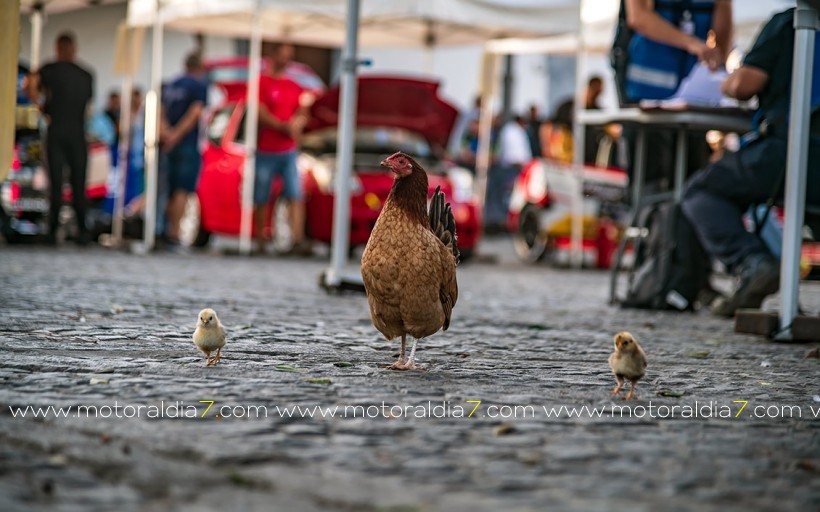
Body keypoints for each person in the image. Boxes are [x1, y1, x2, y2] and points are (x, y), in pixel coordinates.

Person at [681, 8, 820, 317]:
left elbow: (745, 85)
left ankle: (751, 260)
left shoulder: (791, 22)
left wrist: (727, 83)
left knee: (701, 191)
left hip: (792, 149)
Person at [620, 0, 732, 190]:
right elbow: (638, 17)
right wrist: (692, 43)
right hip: (646, 96)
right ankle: (650, 216)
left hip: (691, 97)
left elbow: (723, 28)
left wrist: (717, 63)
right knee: (650, 173)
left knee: (692, 174)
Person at [27, 32, 94, 245]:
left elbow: (30, 84)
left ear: (58, 48)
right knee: (78, 183)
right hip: (77, 131)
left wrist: (40, 106)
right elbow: (88, 108)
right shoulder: (86, 74)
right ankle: (82, 230)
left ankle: (53, 230)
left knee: (55, 183)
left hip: (57, 129)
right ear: (73, 49)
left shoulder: (49, 70)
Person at [254, 42, 310, 255]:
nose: (286, 60)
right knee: (262, 195)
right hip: (266, 148)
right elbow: (259, 112)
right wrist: (282, 126)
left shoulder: (294, 85)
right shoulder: (262, 82)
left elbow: (303, 112)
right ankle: (261, 239)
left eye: (290, 56)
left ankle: (297, 239)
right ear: (273, 55)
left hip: (288, 149)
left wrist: (297, 123)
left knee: (295, 193)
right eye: (283, 55)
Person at [159, 52, 208, 250]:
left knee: (170, 189)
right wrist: (177, 135)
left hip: (170, 144)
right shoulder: (198, 86)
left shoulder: (171, 83)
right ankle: (174, 232)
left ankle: (164, 229)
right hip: (186, 143)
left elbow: (160, 111)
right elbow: (194, 114)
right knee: (182, 190)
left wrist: (167, 134)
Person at [485, 114, 532, 232]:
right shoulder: (512, 131)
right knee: (508, 197)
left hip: (512, 169)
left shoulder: (514, 131)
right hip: (511, 170)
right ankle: (502, 221)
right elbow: (516, 157)